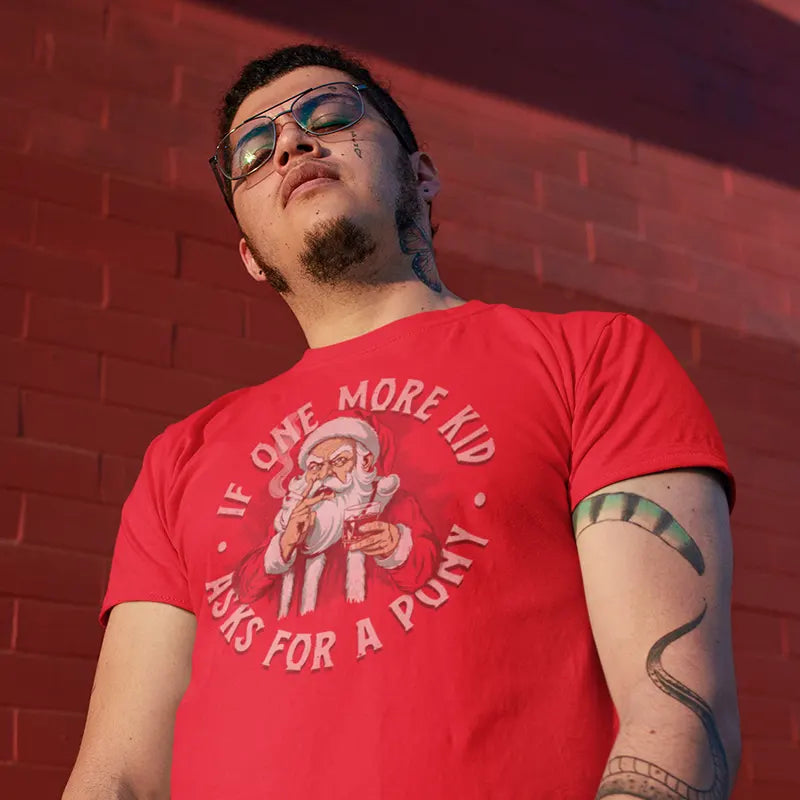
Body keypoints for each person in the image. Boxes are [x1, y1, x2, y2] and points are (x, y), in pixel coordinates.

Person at [63, 44, 741, 800]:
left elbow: (674, 707)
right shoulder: (178, 459)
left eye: (331, 114)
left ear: (420, 176)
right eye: (253, 152)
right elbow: (119, 775)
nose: (290, 142)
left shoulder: (591, 360)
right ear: (250, 255)